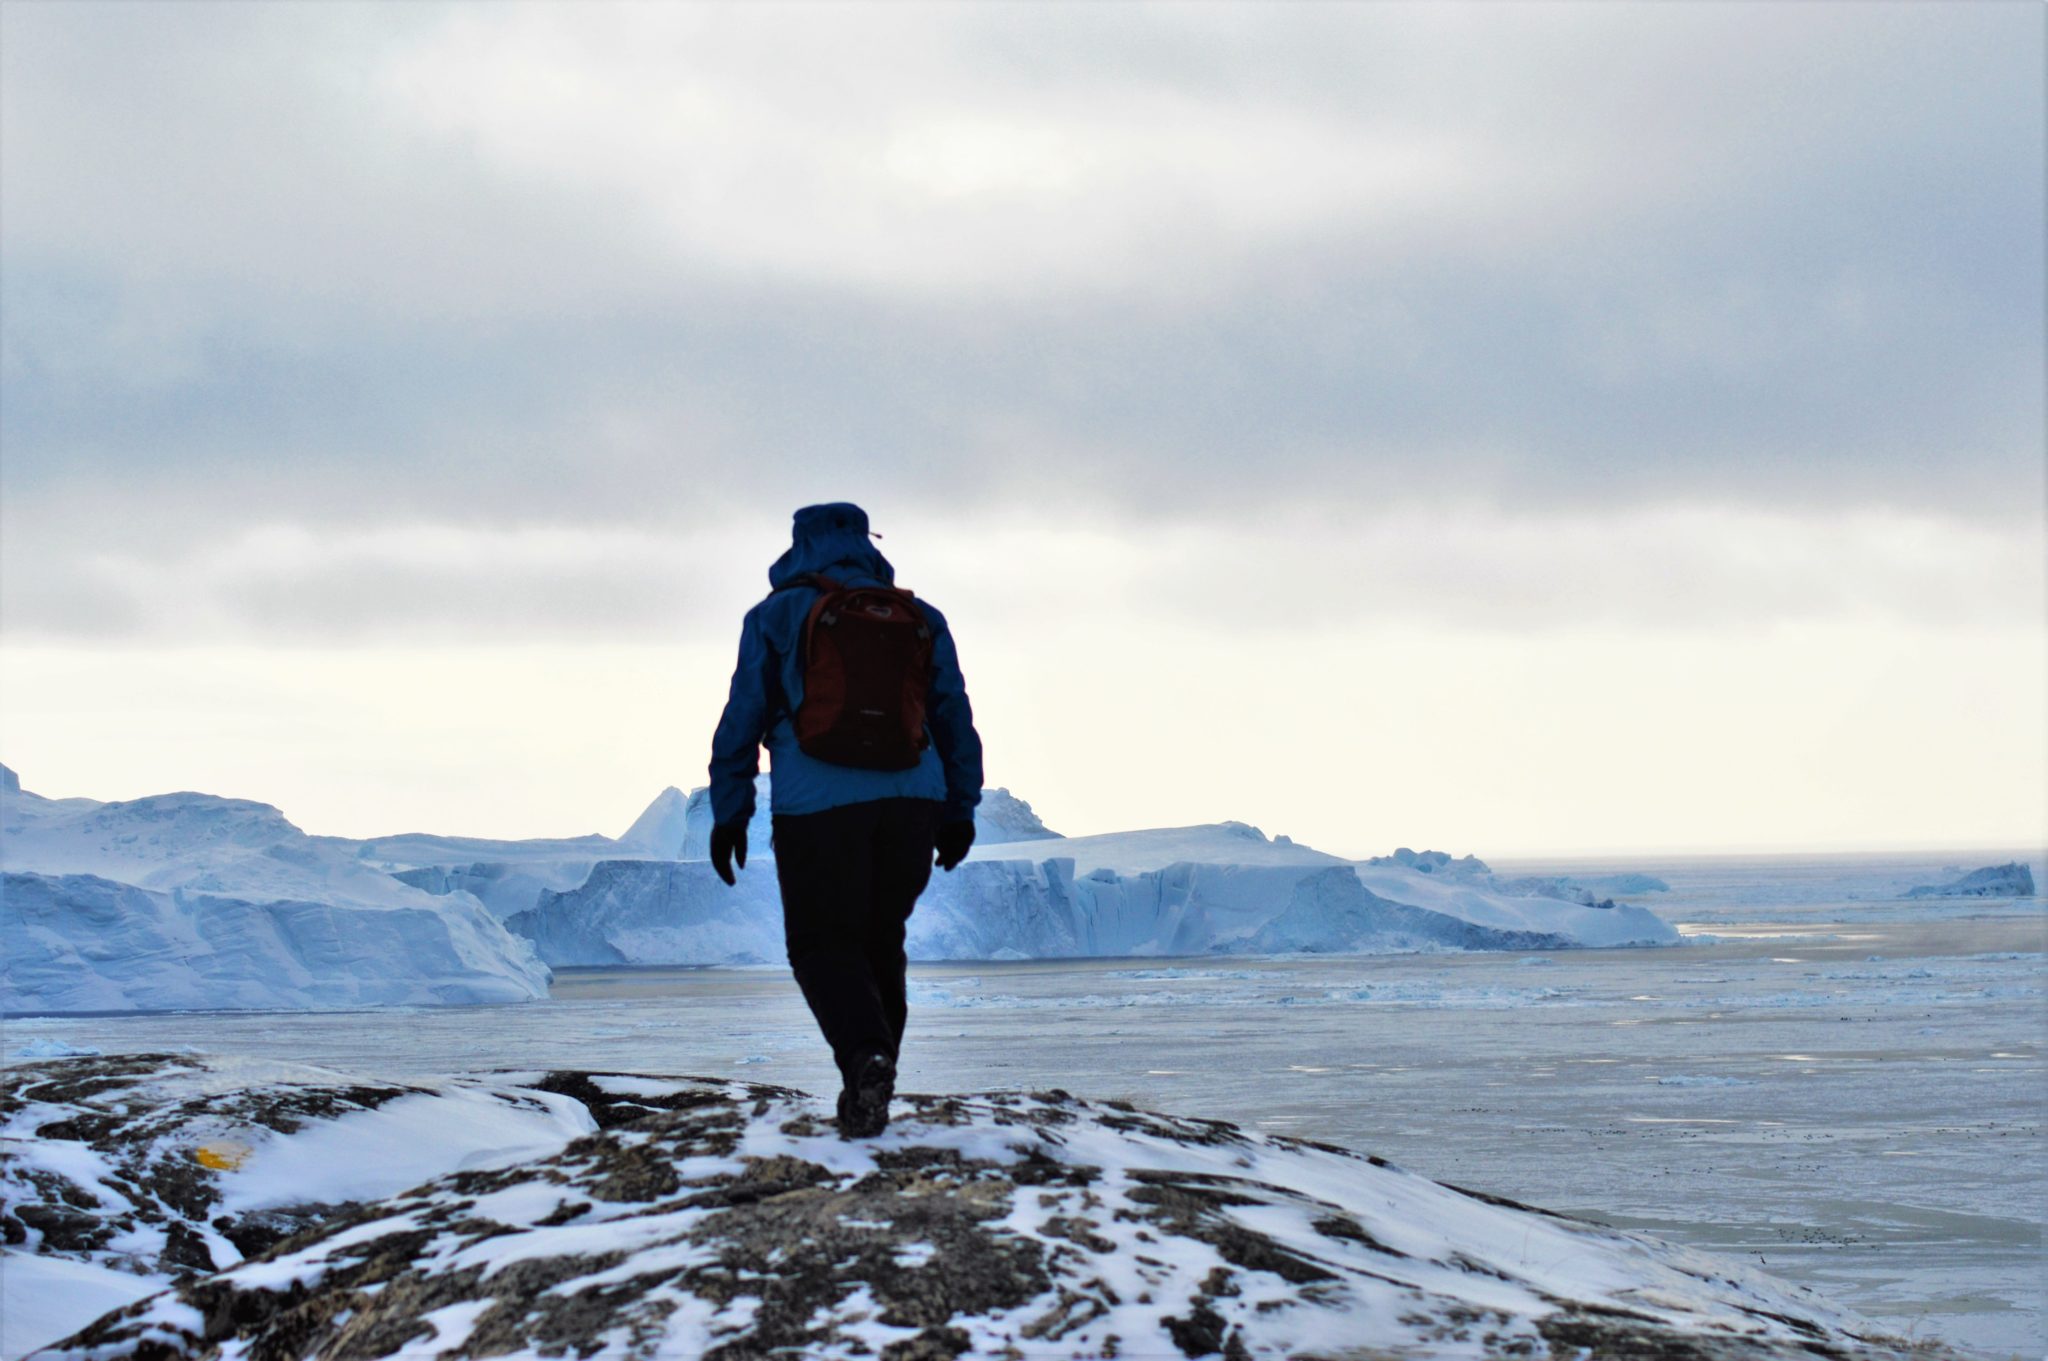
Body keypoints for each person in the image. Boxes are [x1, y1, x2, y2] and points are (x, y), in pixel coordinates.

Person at [706, 502, 983, 1137]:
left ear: (799, 543)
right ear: (867, 542)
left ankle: (865, 1061)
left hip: (816, 809)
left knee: (822, 943)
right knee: (881, 939)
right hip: (912, 803)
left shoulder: (775, 615)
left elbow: (742, 717)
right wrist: (959, 809)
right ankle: (873, 1078)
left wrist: (730, 813)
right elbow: (953, 716)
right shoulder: (920, 617)